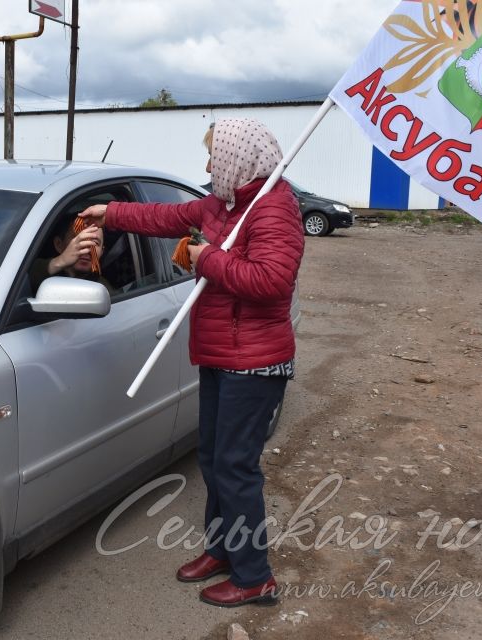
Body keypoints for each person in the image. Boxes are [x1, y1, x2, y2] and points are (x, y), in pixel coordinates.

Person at [80, 118, 304, 607]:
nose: (207, 166)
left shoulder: (273, 209)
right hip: (221, 355)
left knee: (235, 467)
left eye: (213, 157)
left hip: (255, 362)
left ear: (237, 160)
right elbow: (163, 217)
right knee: (213, 459)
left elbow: (271, 282)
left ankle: (254, 576)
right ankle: (222, 550)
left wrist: (204, 259)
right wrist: (107, 212)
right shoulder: (225, 205)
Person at [29, 215, 112, 292]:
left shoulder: (103, 290)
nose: (87, 248)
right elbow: (23, 277)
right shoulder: (35, 271)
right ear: (59, 244)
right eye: (79, 240)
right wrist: (60, 262)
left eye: (94, 243)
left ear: (102, 252)